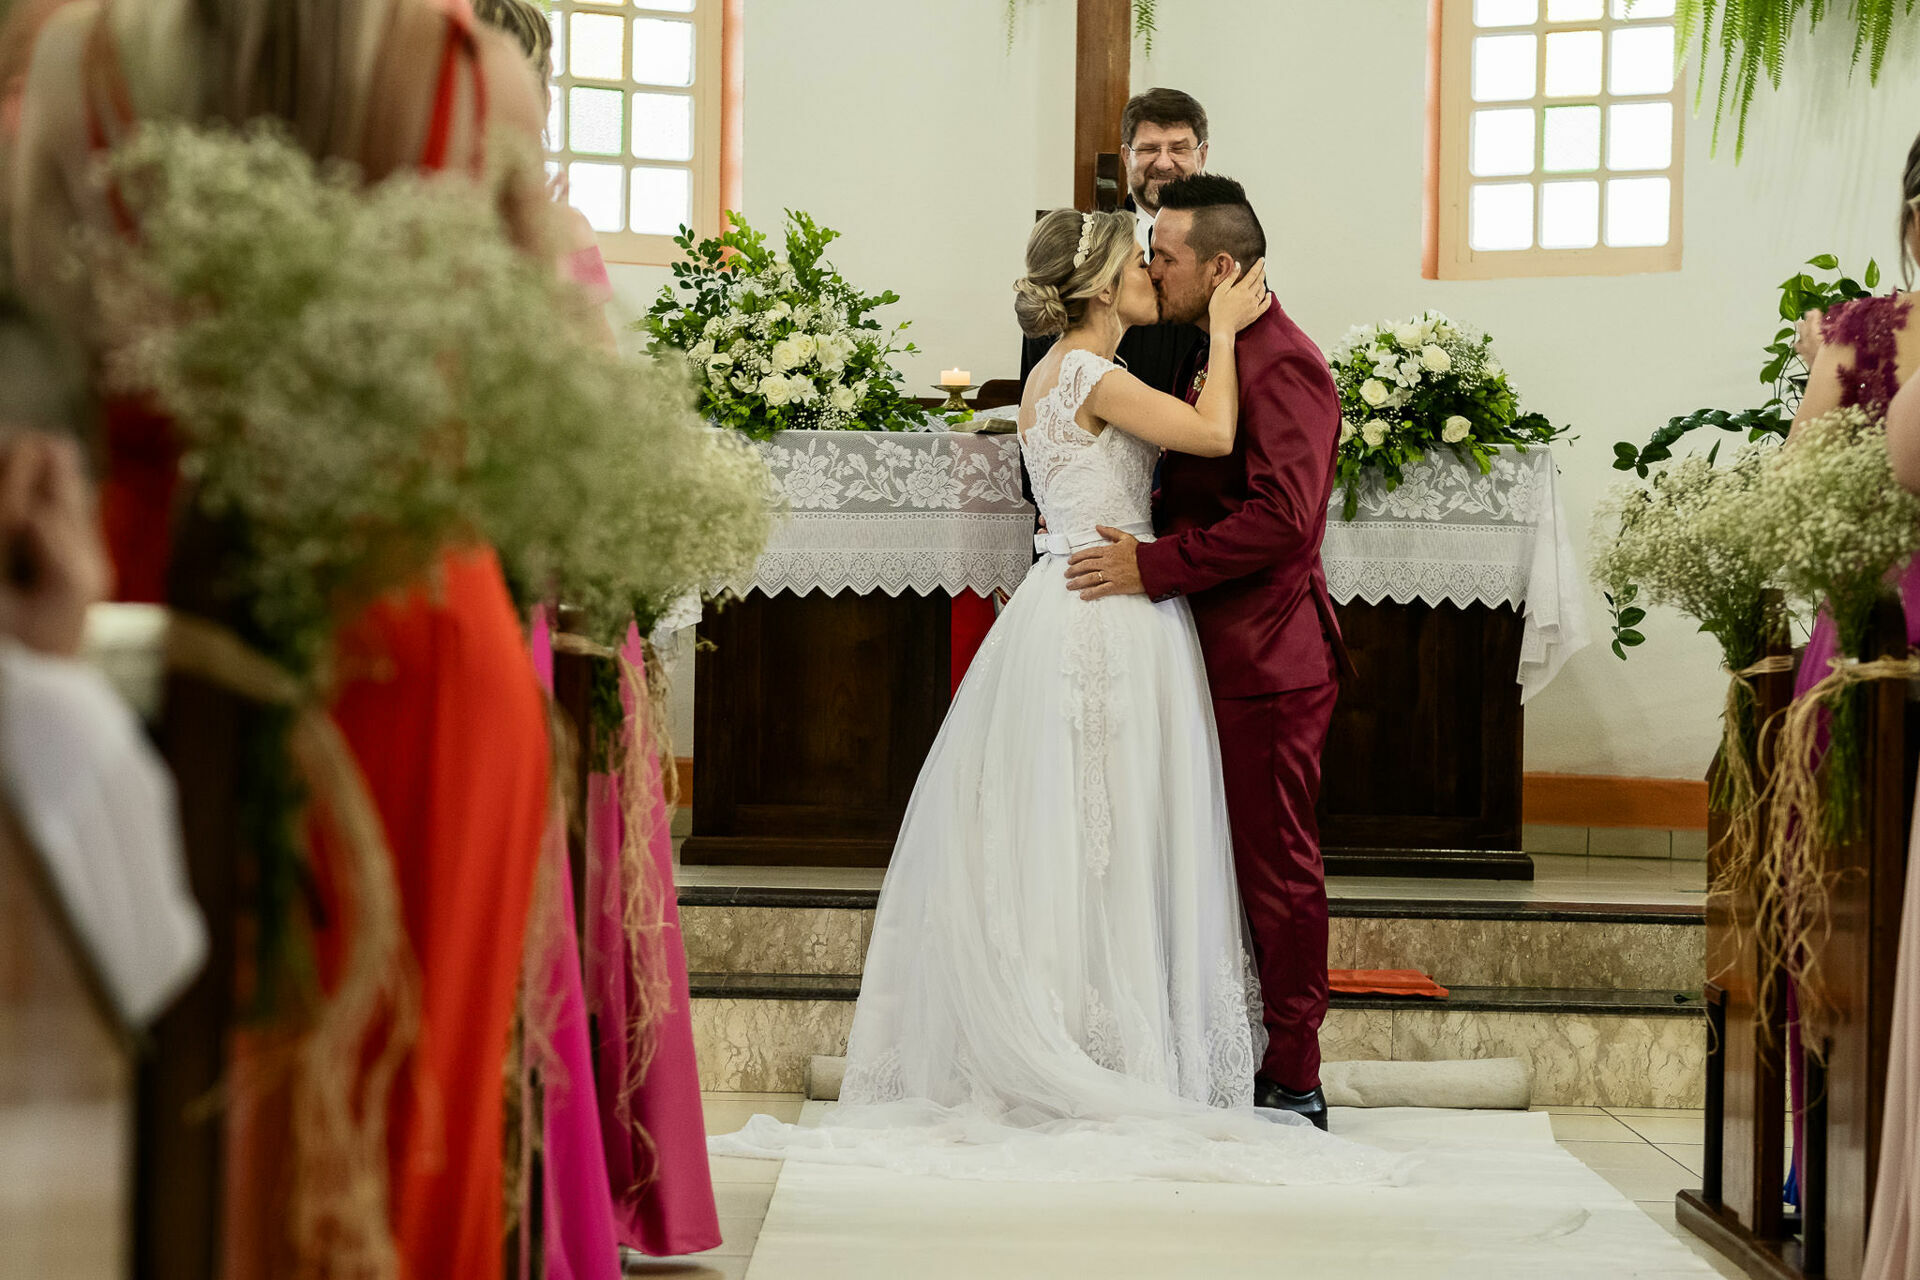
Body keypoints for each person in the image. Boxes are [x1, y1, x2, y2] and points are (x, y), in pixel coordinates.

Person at [9, 3, 553, 1277]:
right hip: (413, 633)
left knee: (141, 1116)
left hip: (151, 606)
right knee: (408, 1127)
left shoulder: (81, 66)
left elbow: (42, 385)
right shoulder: (475, 81)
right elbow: (534, 408)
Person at [710, 206, 1401, 1188]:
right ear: (1102, 284)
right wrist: (1218, 334)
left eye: (1161, 259)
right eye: (1139, 262)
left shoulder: (1057, 375)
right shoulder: (1093, 373)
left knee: (1081, 840)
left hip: (1080, 606)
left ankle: (1105, 1032)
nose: (1151, 275)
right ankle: (1110, 1046)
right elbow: (1210, 435)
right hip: (1109, 618)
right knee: (1109, 838)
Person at [1066, 174, 1350, 1127]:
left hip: (1267, 660)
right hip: (1209, 651)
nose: (1153, 268)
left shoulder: (1284, 363)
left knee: (1276, 869)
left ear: (1222, 265)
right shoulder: (1222, 352)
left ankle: (1297, 1074)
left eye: (1167, 256)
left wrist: (1154, 566)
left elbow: (1282, 519)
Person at [1019, 87, 1211, 397]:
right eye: (1149, 149)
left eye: (1178, 148)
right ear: (1126, 155)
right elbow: (1040, 359)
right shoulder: (1083, 245)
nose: (1163, 163)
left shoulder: (1228, 246)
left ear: (1201, 154)